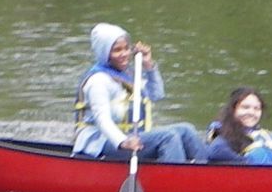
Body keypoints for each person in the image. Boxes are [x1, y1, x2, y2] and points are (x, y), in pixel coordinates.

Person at [72, 22, 208, 162]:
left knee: (187, 130)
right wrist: (123, 141)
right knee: (168, 137)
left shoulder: (128, 74)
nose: (124, 54)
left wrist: (149, 66)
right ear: (105, 53)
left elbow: (156, 95)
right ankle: (174, 180)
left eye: (126, 48)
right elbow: (102, 120)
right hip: (100, 142)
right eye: (117, 50)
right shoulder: (98, 81)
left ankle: (207, 175)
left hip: (131, 135)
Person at [205, 87, 272, 165]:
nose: (251, 113)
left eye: (256, 109)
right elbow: (215, 151)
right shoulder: (225, 135)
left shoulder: (258, 133)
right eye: (245, 107)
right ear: (233, 110)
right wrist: (246, 162)